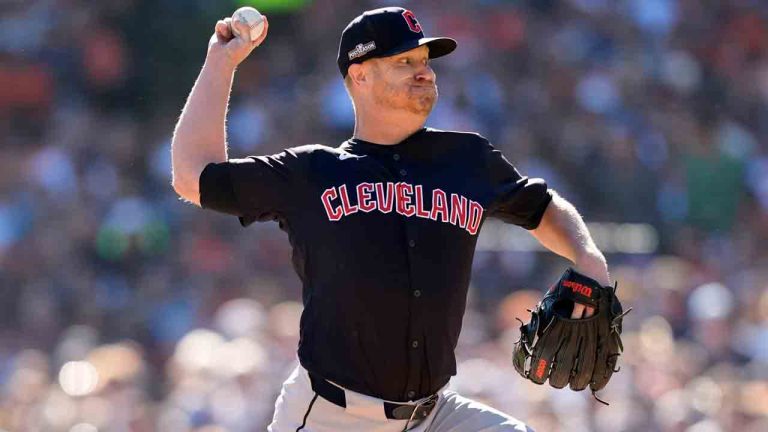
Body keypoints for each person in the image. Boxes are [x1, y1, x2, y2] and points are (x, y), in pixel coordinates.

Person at [171, 6, 610, 432]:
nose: (425, 71)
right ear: (360, 75)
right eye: (404, 61)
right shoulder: (311, 173)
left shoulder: (468, 161)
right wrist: (220, 63)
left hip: (434, 414)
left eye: (424, 60)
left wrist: (588, 257)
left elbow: (542, 206)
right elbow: (192, 177)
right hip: (333, 416)